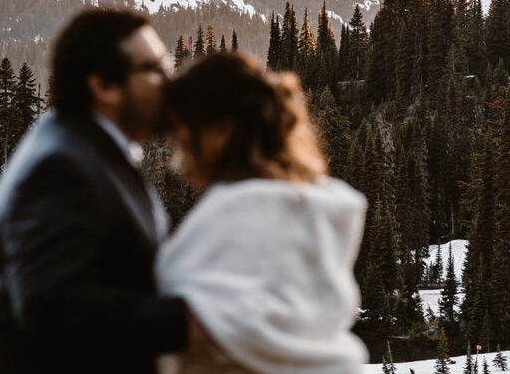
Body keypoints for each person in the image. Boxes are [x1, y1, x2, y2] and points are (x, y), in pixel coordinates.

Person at [0, 8, 192, 374]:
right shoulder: (63, 166)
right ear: (103, 86)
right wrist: (189, 320)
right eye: (155, 67)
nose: (169, 79)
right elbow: (50, 303)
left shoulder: (82, 148)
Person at [156, 51, 368, 374]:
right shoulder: (315, 206)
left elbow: (209, 325)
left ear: (222, 130)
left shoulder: (243, 211)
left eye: (182, 126)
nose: (177, 141)